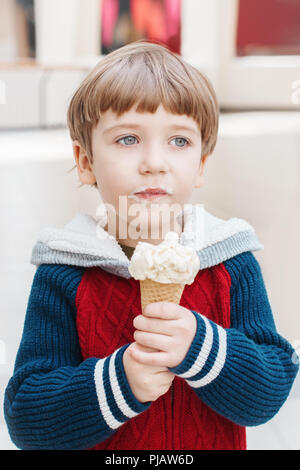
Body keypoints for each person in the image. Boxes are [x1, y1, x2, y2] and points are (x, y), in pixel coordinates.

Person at [4, 40, 299, 450]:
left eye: (179, 141)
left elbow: (269, 393)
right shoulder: (64, 273)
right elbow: (26, 418)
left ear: (201, 164)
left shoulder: (232, 262)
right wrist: (120, 381)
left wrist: (203, 349)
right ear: (86, 161)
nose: (154, 162)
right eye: (128, 139)